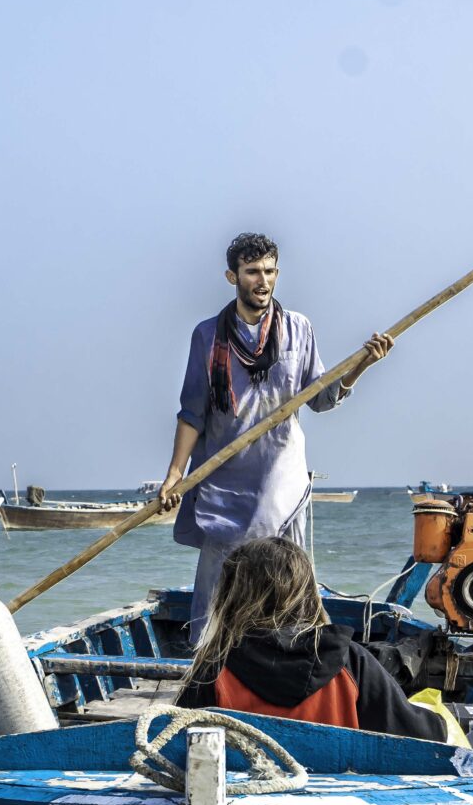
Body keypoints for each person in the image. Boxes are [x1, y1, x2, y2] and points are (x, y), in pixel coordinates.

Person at [157, 233, 395, 630]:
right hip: (225, 479)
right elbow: (192, 413)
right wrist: (175, 475)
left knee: (286, 582)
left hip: (281, 475)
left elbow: (320, 398)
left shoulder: (297, 329)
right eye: (252, 272)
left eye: (269, 271)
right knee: (218, 591)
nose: (262, 280)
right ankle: (209, 665)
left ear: (277, 274)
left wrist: (362, 365)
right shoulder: (207, 336)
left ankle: (291, 661)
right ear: (232, 277)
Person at [173, 537, 449, 739]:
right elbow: (421, 735)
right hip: (338, 801)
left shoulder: (214, 669)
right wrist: (443, 719)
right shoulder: (350, 660)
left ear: (230, 597)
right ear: (308, 595)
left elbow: (178, 746)